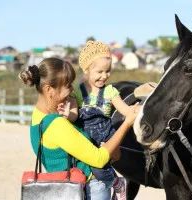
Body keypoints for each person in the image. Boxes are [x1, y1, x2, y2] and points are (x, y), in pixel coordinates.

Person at [19, 57, 139, 200]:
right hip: (91, 188)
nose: (71, 91)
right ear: (49, 89)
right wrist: (126, 124)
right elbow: (99, 159)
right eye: (68, 86)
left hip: (65, 186)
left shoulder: (37, 117)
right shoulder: (56, 124)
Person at [57, 41, 140, 200]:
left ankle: (116, 182)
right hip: (85, 136)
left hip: (104, 137)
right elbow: (75, 114)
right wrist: (68, 115)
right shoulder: (77, 93)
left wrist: (136, 109)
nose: (104, 76)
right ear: (86, 70)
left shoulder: (110, 91)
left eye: (108, 71)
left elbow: (125, 110)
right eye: (99, 71)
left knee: (98, 166)